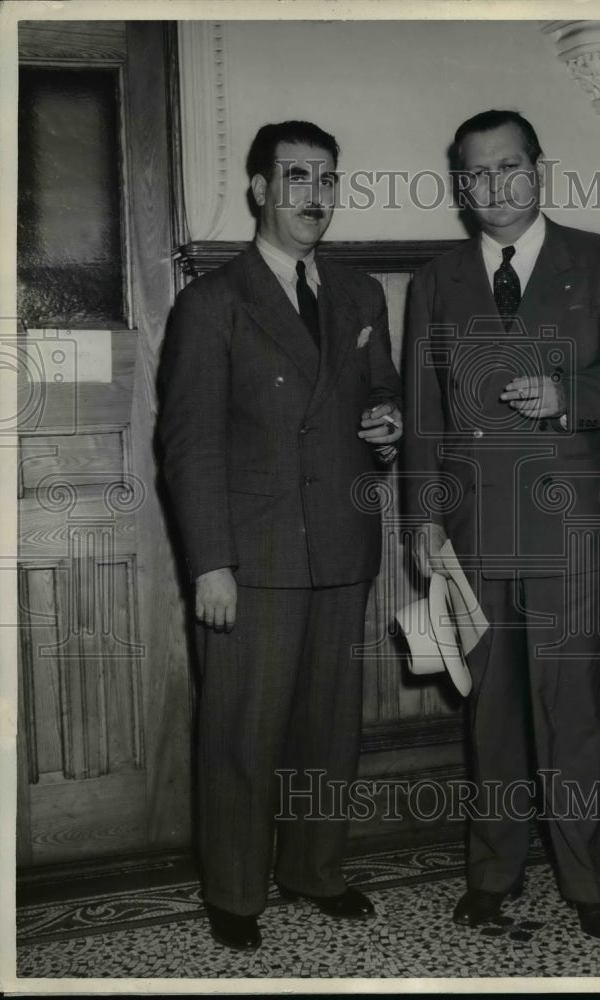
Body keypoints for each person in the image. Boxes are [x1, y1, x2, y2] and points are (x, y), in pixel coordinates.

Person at [402, 109, 600, 939]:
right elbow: (421, 413)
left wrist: (569, 397)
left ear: (539, 171)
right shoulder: (435, 280)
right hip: (476, 530)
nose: (494, 188)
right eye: (475, 174)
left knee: (571, 712)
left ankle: (588, 882)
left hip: (568, 529)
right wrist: (421, 515)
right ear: (460, 185)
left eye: (509, 168)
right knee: (489, 713)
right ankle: (493, 871)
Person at [159, 120, 402, 951]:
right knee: (242, 732)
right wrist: (211, 564)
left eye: (326, 179)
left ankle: (314, 869)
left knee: (328, 731)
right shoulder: (213, 303)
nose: (314, 196)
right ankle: (233, 891)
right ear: (259, 188)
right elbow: (187, 445)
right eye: (295, 177)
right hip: (252, 557)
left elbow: (382, 394)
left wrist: (387, 426)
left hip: (340, 547)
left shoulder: (361, 293)